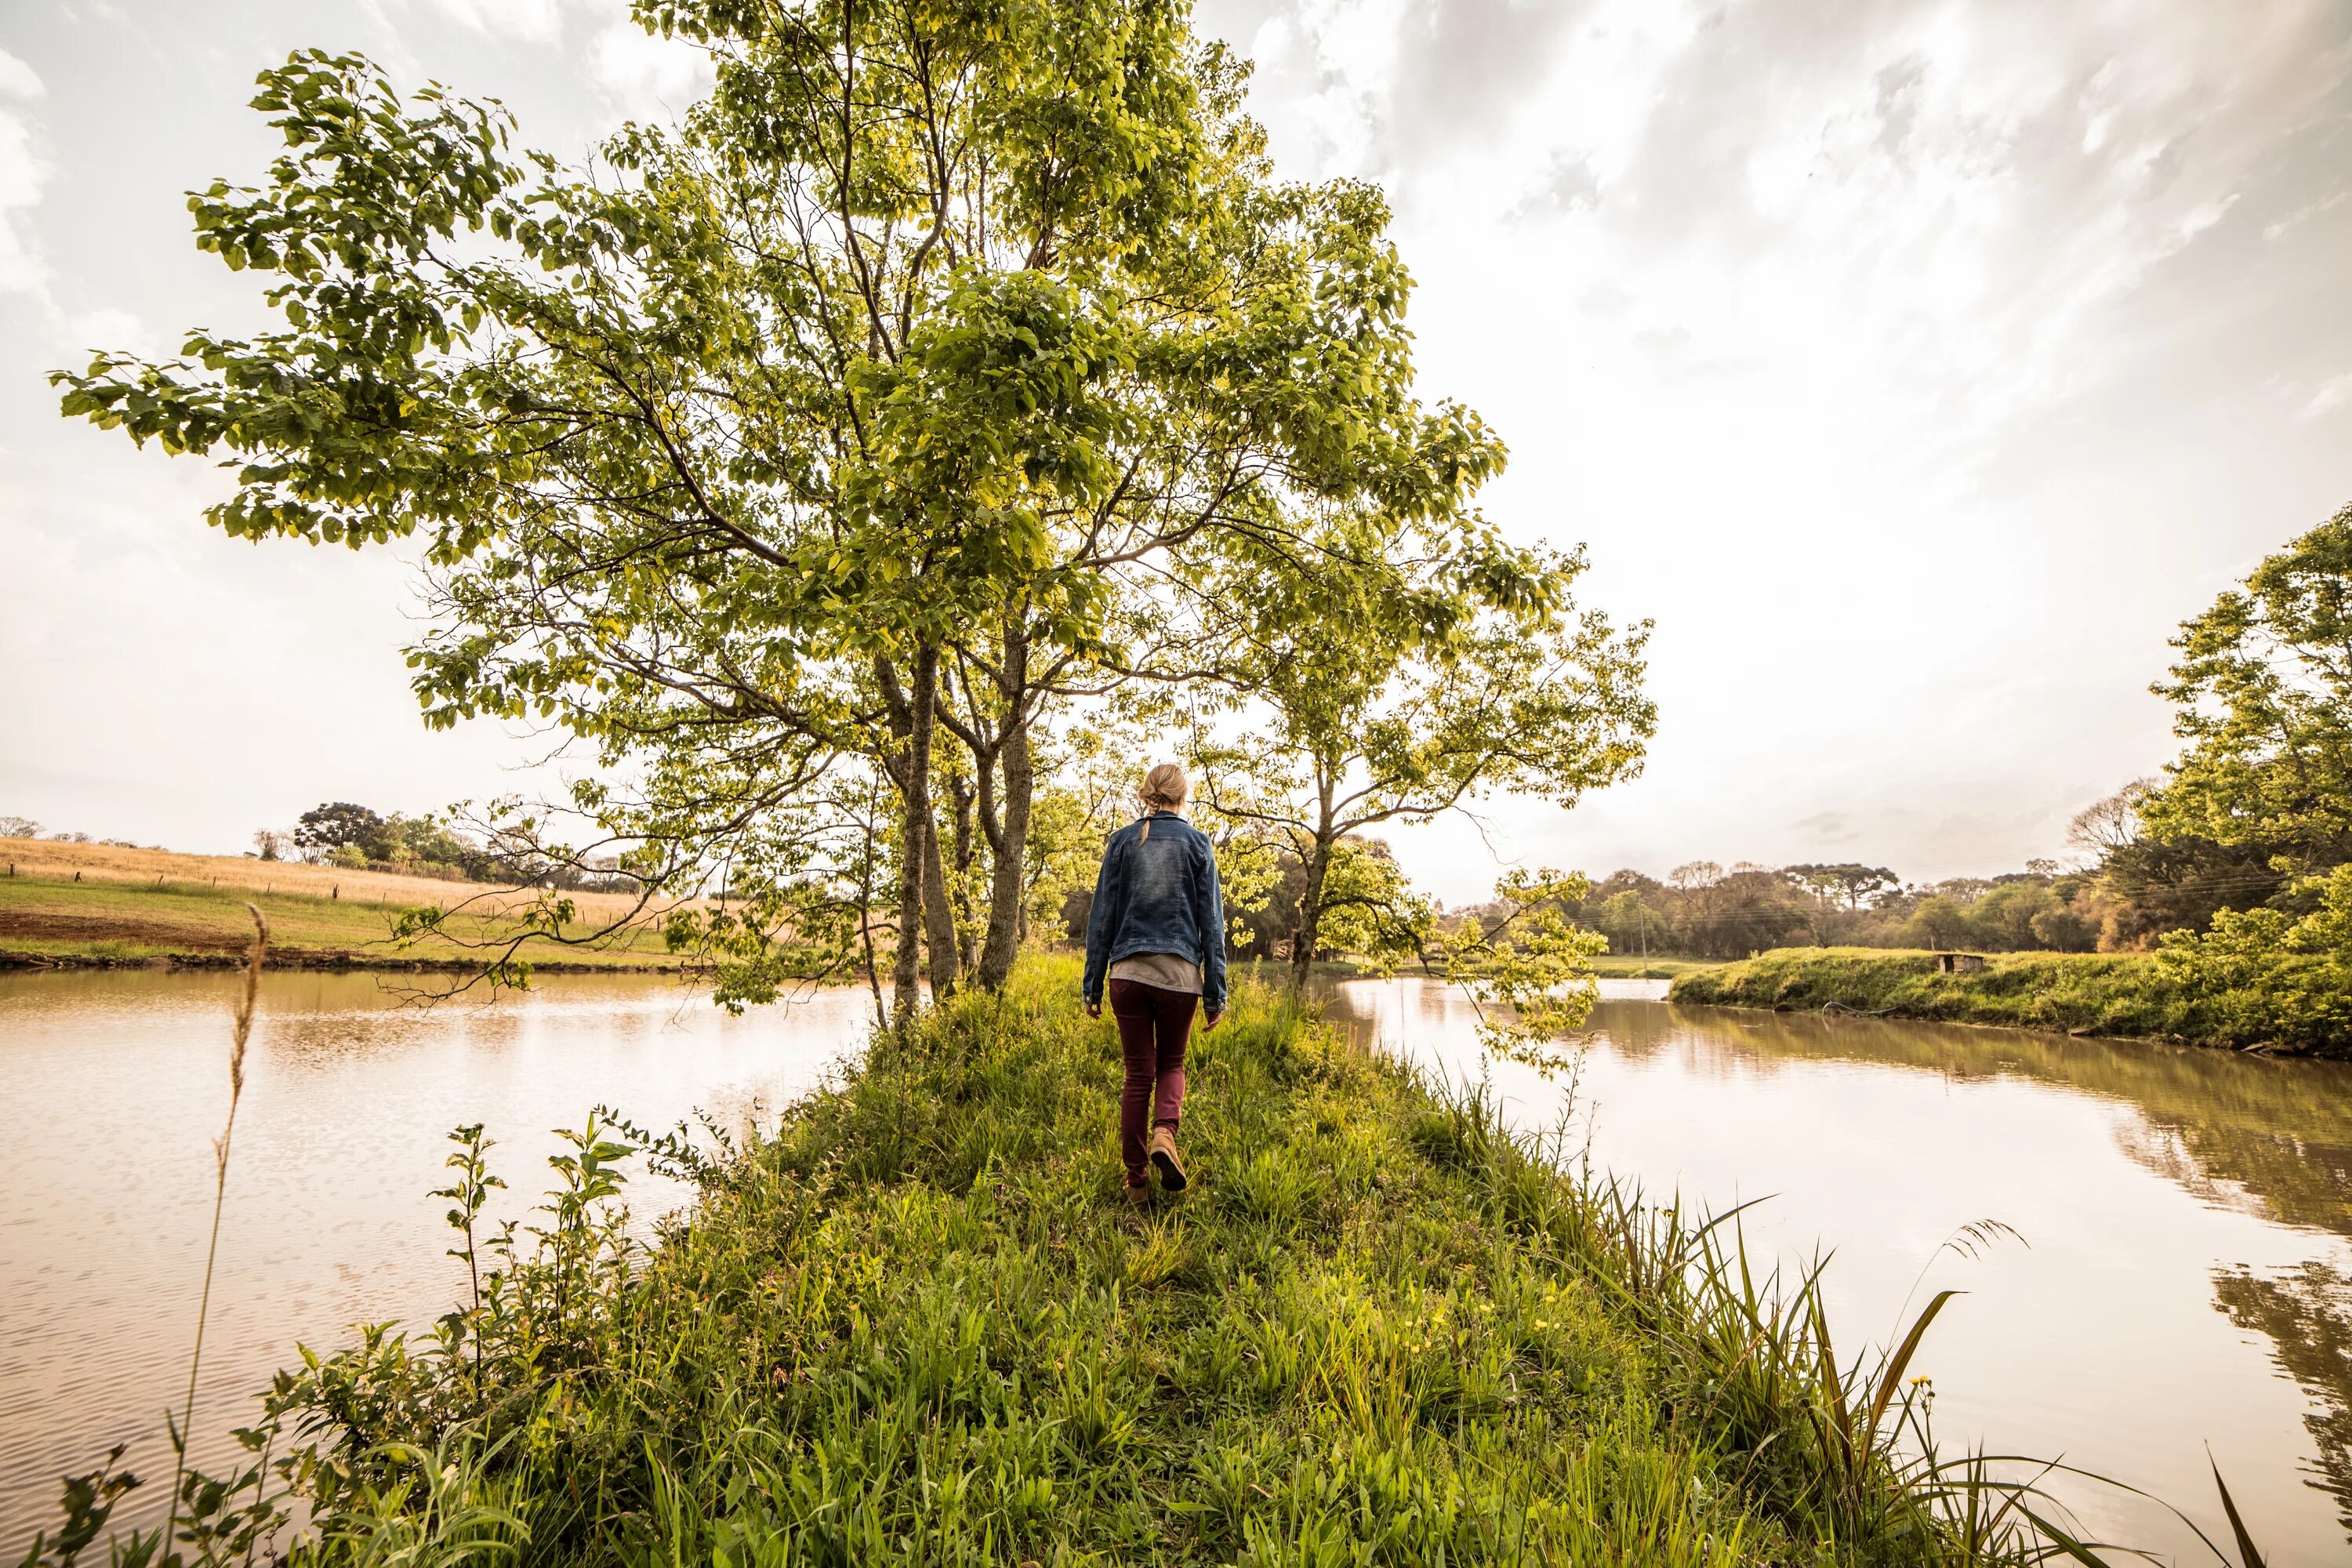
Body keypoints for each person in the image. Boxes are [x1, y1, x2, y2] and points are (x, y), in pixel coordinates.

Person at [1082, 761, 1226, 1207]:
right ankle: (1165, 1132)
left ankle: (1137, 1184)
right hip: (1180, 977)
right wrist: (1215, 992)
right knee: (1172, 1064)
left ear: (1148, 796)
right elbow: (1212, 926)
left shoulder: (1122, 842)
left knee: (1136, 1077)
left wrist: (1091, 983)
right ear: (1183, 797)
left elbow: (1102, 917)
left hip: (1126, 975)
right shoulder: (1198, 844)